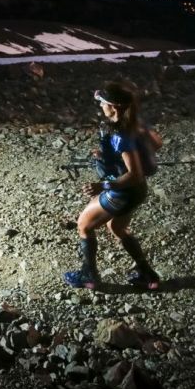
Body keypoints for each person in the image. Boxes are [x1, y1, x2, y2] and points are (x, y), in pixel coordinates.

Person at [64, 81, 161, 290]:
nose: (100, 106)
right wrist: (118, 158)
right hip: (138, 191)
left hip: (122, 192)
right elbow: (157, 143)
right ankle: (147, 274)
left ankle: (89, 276)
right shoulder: (137, 124)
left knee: (84, 225)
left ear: (114, 106)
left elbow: (134, 174)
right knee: (117, 227)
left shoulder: (120, 135)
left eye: (103, 102)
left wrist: (103, 186)